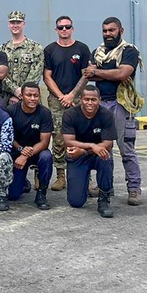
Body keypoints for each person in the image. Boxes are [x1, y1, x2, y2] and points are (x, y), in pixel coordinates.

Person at [83, 17, 143, 205]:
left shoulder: (129, 51)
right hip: (101, 105)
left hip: (121, 105)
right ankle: (104, 186)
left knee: (126, 149)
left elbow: (123, 74)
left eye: (111, 30)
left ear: (121, 31)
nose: (108, 34)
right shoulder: (97, 52)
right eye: (105, 31)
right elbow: (88, 75)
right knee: (102, 149)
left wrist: (97, 73)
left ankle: (134, 189)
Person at [42, 15, 91, 193]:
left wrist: (72, 95)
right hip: (57, 101)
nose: (64, 30)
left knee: (82, 136)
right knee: (59, 138)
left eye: (67, 27)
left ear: (72, 28)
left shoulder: (82, 48)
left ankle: (84, 174)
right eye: (61, 27)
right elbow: (47, 76)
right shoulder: (50, 50)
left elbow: (86, 74)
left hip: (78, 99)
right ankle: (61, 175)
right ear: (56, 30)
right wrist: (62, 96)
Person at [63, 85, 115, 218]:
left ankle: (104, 198)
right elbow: (69, 141)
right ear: (80, 99)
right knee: (76, 202)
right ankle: (82, 185)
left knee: (106, 157)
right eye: (86, 99)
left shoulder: (106, 115)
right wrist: (92, 146)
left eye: (93, 99)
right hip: (77, 156)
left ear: (100, 100)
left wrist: (85, 151)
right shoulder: (70, 114)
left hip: (96, 155)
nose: (90, 103)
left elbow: (108, 144)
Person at [6, 84, 54, 210]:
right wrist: (21, 151)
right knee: (13, 195)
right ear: (21, 96)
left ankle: (42, 193)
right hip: (17, 151)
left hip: (36, 151)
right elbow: (8, 137)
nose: (33, 98)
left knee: (47, 156)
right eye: (29, 95)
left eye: (36, 96)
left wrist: (25, 155)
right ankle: (22, 182)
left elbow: (44, 142)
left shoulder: (45, 113)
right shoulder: (11, 111)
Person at [0, 11, 44, 110]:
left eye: (18, 22)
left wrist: (22, 94)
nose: (15, 25)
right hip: (7, 98)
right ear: (8, 25)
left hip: (30, 99)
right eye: (12, 22)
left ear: (24, 24)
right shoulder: (2, 49)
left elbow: (36, 73)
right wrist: (15, 90)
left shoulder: (35, 47)